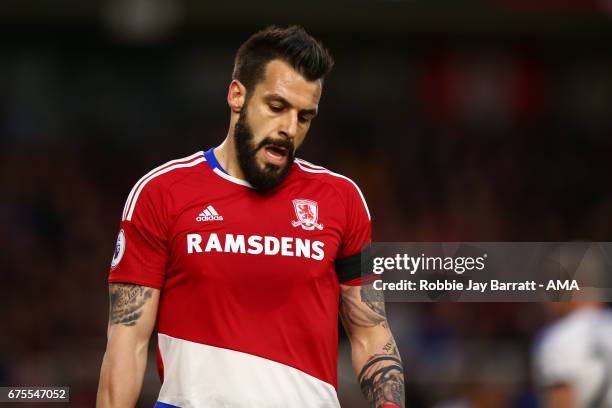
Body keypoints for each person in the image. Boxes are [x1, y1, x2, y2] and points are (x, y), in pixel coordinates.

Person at [96, 25, 404, 407]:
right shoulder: (162, 194)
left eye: (304, 117)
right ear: (237, 95)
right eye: (277, 107)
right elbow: (127, 341)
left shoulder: (342, 200)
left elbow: (371, 332)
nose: (289, 128)